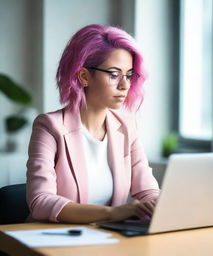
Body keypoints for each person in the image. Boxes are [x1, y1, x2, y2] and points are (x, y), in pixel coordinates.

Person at [26, 24, 160, 224]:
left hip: (107, 240)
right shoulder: (49, 127)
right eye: (114, 74)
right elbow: (40, 201)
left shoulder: (126, 126)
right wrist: (112, 213)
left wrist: (165, 207)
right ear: (84, 76)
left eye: (129, 75)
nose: (124, 85)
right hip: (56, 240)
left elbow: (147, 191)